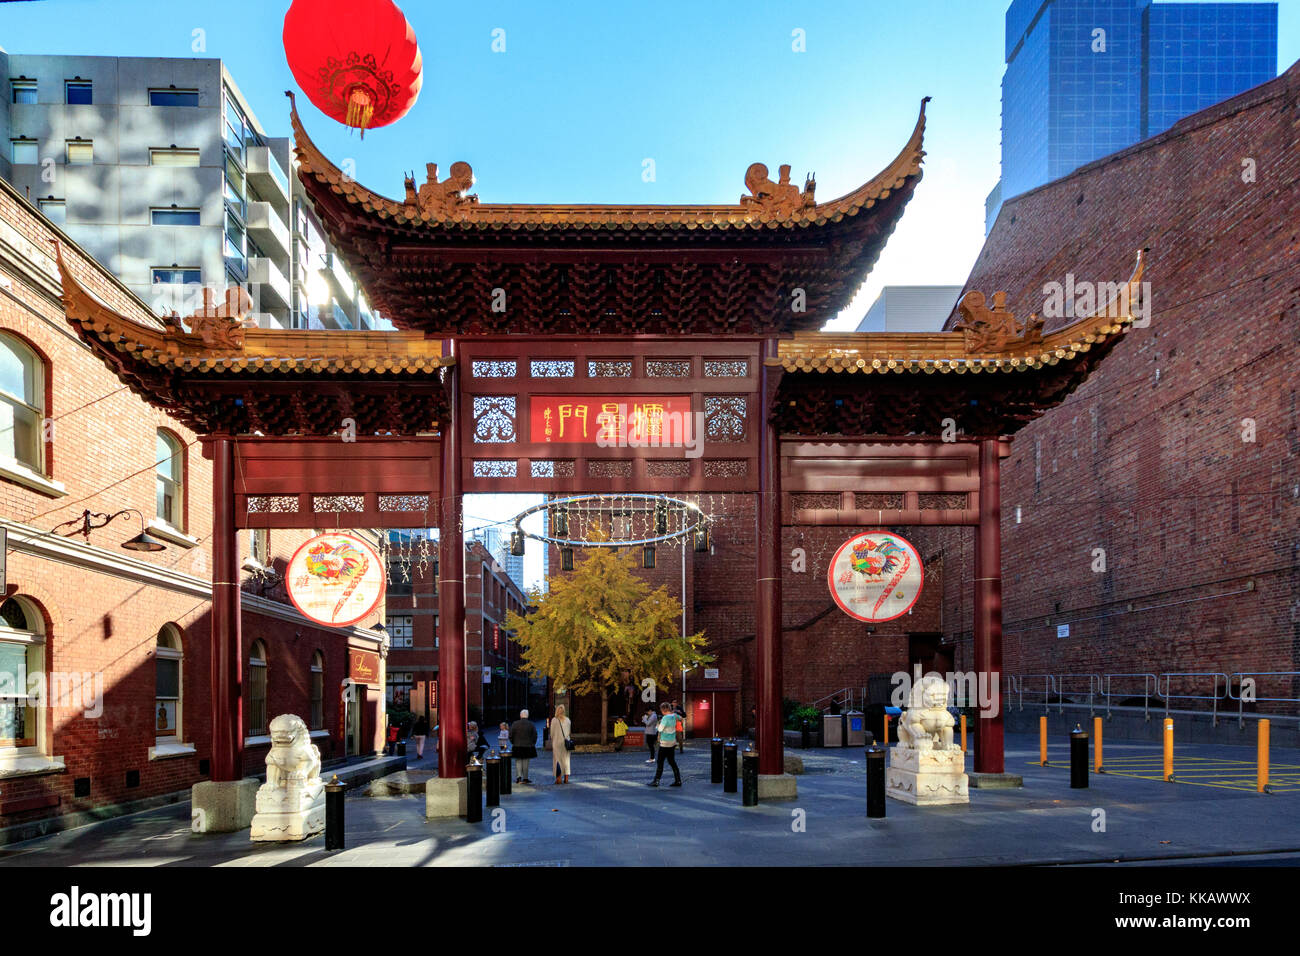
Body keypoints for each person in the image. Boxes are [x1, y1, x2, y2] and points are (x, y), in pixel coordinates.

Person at [648, 702, 682, 787]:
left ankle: (656, 781)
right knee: (672, 761)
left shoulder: (665, 718)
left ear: (663, 710)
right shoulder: (674, 716)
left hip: (664, 743)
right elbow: (681, 718)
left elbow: (660, 729)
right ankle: (678, 780)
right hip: (672, 742)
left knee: (660, 762)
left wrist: (658, 724)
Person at [509, 709, 538, 784]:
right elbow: (535, 735)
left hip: (517, 746)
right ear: (527, 716)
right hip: (528, 746)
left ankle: (518, 778)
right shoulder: (531, 724)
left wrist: (513, 742)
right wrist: (532, 743)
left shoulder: (515, 724)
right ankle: (525, 778)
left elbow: (510, 735)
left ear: (520, 715)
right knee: (526, 762)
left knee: (518, 761)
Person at [549, 704, 572, 784]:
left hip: (557, 742)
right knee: (566, 760)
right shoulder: (568, 720)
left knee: (557, 761)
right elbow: (569, 732)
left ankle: (558, 779)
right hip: (566, 743)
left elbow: (551, 733)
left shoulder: (554, 720)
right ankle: (566, 778)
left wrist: (553, 739)